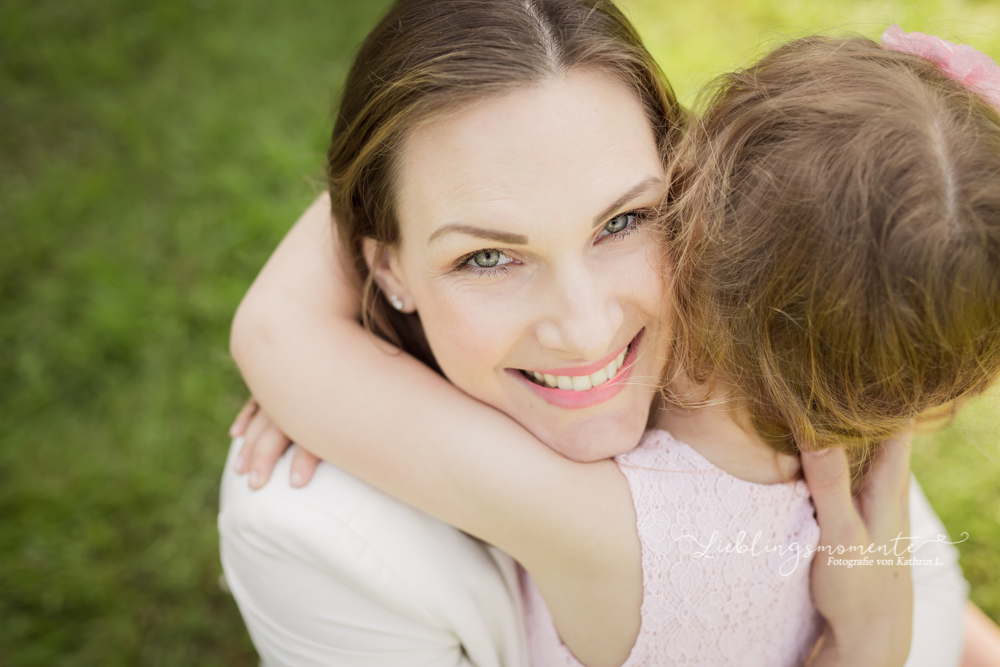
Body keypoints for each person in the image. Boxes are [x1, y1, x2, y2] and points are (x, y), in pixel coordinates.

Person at [221, 1, 980, 665]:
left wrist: (401, 188)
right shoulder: (831, 399)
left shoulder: (623, 531)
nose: (586, 330)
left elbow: (275, 331)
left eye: (623, 219)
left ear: (694, 188)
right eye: (486, 254)